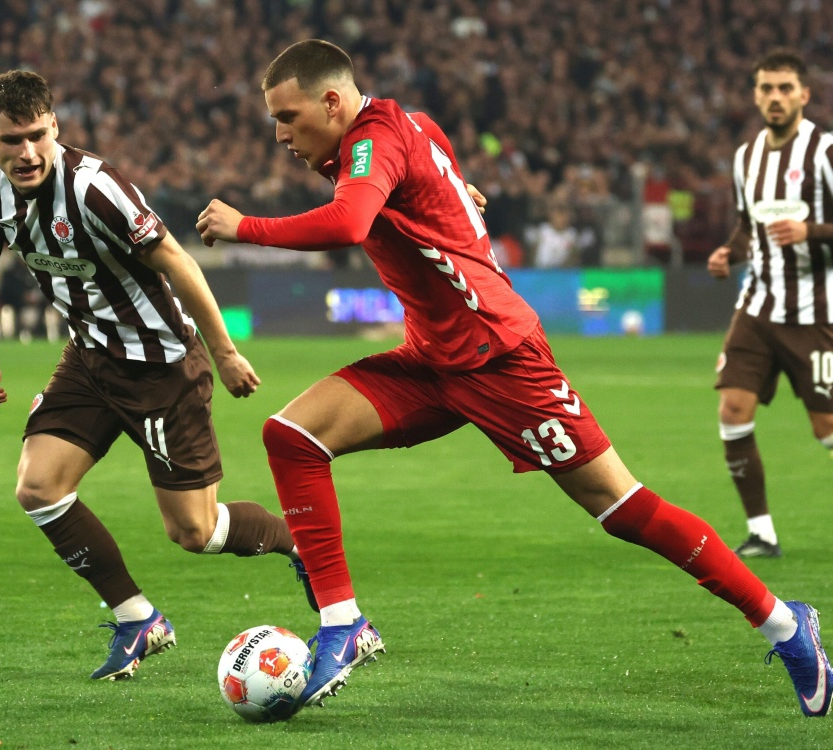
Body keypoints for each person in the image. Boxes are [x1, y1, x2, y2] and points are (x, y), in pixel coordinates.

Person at [197, 39, 832, 716]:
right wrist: (454, 194)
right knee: (292, 437)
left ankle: (785, 624)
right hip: (433, 360)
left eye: (287, 117)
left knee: (623, 509)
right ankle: (342, 623)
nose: (280, 135)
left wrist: (245, 226)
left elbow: (351, 221)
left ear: (332, 101)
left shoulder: (372, 144)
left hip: (500, 360)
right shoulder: (410, 125)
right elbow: (444, 179)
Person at [0, 70, 315, 682]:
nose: (28, 153)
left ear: (55, 127)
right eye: (12, 140)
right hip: (88, 358)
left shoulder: (96, 189)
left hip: (161, 366)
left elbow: (177, 260)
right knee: (38, 487)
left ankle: (301, 543)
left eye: (38, 136)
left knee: (196, 531)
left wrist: (225, 352)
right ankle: (137, 619)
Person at [707, 49, 833, 560]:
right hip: (757, 306)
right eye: (766, 88)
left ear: (804, 94)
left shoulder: (824, 152)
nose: (775, 97)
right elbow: (748, 225)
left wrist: (811, 231)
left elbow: (807, 229)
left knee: (826, 428)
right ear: (755, 95)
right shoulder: (746, 156)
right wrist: (728, 252)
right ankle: (762, 533)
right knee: (733, 409)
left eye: (785, 88)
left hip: (815, 309)